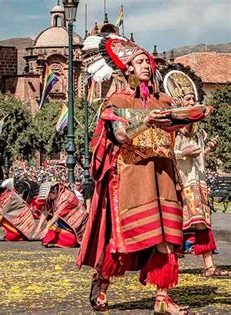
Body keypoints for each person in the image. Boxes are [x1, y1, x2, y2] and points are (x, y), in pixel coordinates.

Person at [77, 35, 208, 314]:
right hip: (133, 176)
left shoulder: (164, 100)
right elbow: (120, 134)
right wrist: (145, 121)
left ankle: (162, 298)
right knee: (122, 238)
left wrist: (193, 116)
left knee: (166, 237)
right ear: (127, 69)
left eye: (148, 61)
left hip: (163, 175)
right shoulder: (118, 100)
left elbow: (180, 130)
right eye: (139, 62)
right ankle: (101, 281)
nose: (146, 65)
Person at [162, 66, 229, 278]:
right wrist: (183, 152)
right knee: (175, 225)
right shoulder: (170, 128)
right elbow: (166, 152)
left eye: (193, 99)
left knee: (201, 223)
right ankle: (169, 270)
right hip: (180, 182)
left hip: (197, 182)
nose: (192, 103)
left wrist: (207, 149)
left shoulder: (198, 130)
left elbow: (198, 156)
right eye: (188, 100)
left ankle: (209, 265)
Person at [35, 183, 89, 248]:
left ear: (53, 192)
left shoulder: (65, 196)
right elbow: (45, 211)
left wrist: (46, 228)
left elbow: (57, 215)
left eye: (49, 196)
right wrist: (39, 227)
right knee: (48, 235)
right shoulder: (51, 196)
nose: (48, 198)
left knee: (71, 240)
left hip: (76, 224)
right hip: (62, 222)